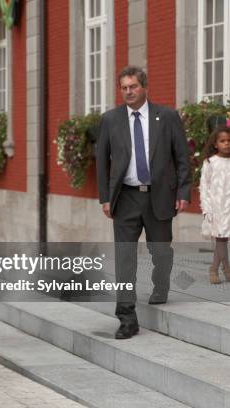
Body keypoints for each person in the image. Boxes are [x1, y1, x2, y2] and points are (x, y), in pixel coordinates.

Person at [96, 66, 191, 340]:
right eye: (124, 87)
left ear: (144, 87)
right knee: (125, 258)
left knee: (160, 251)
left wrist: (183, 192)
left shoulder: (168, 117)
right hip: (125, 198)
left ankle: (161, 284)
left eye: (133, 86)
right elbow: (102, 161)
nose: (128, 91)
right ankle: (127, 317)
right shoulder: (110, 120)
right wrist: (105, 197)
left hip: (159, 195)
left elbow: (182, 157)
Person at [199, 126, 230, 284]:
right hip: (216, 208)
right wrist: (206, 209)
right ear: (216, 144)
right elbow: (204, 187)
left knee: (224, 239)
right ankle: (217, 269)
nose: (227, 144)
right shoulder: (210, 162)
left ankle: (222, 267)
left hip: (229, 206)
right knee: (221, 239)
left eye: (229, 141)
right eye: (222, 141)